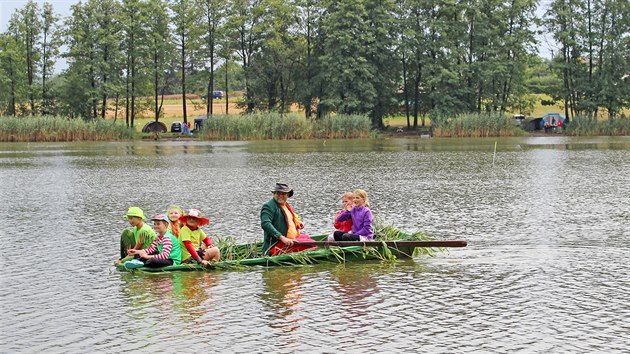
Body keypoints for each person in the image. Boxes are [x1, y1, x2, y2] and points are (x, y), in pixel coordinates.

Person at [260, 183, 316, 256]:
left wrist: (298, 223)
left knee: (307, 237)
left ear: (288, 195)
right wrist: (282, 238)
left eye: (283, 194)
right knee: (312, 245)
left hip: (290, 240)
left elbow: (289, 218)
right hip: (275, 245)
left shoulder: (285, 205)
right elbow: (265, 224)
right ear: (274, 194)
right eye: (278, 193)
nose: (280, 196)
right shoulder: (268, 206)